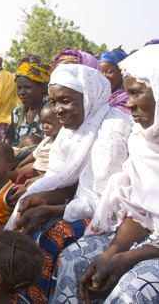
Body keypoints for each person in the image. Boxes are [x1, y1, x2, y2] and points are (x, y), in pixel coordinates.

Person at [6, 64, 132, 303]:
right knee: (26, 215)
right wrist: (39, 199)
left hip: (114, 216)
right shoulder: (71, 129)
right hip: (82, 205)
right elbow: (63, 179)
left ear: (90, 96)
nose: (57, 110)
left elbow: (103, 201)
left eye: (66, 101)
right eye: (53, 102)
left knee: (55, 233)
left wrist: (48, 209)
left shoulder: (113, 128)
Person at [53, 44, 159, 303]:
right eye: (127, 93)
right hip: (148, 237)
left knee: (133, 290)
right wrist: (111, 253)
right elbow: (140, 212)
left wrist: (129, 257)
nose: (130, 104)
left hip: (149, 249)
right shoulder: (142, 141)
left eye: (136, 93)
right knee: (75, 258)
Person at [13, 102, 62, 186]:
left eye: (49, 123)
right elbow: (34, 154)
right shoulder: (46, 140)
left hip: (45, 180)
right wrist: (21, 164)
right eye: (42, 123)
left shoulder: (60, 144)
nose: (45, 126)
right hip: (34, 175)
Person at [8, 62, 50, 147]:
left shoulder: (50, 110)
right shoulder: (17, 112)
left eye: (27, 87)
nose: (22, 92)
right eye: (19, 88)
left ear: (42, 88)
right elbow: (13, 143)